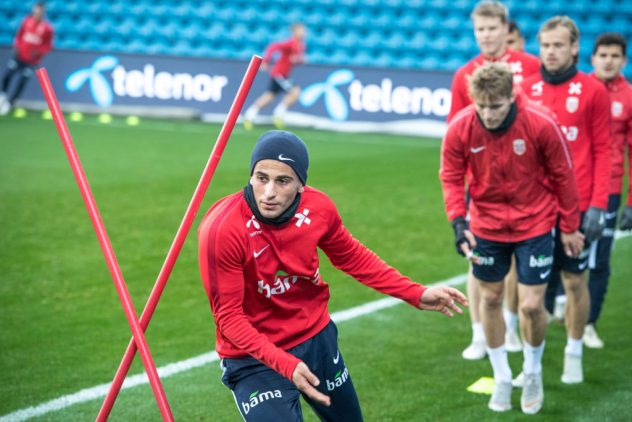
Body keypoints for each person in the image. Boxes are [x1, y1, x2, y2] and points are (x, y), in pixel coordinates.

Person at [198, 130, 468, 421]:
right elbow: (229, 318)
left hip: (315, 339)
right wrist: (285, 364)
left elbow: (351, 256)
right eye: (261, 178)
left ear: (301, 185)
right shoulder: (222, 229)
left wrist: (415, 292)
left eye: (283, 181)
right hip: (254, 358)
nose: (269, 192)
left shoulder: (319, 208)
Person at [440, 62, 582, 414]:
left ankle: (531, 371)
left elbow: (563, 174)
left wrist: (569, 225)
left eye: (496, 106)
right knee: (490, 300)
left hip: (535, 222)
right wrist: (459, 222)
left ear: (511, 97)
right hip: (486, 225)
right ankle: (502, 376)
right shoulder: (461, 127)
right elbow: (451, 176)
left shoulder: (540, 122)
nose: (488, 114)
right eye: (482, 106)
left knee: (532, 305)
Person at [521, 16, 612, 385]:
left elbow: (605, 151)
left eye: (558, 45)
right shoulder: (525, 89)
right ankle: (533, 365)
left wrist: (597, 205)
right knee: (533, 292)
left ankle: (574, 352)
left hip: (577, 208)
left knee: (575, 282)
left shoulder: (593, 91)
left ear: (575, 48)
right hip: (537, 209)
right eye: (545, 46)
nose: (551, 52)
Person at [448, 0, 540, 361]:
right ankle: (479, 334)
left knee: (518, 261)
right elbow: (455, 133)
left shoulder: (532, 68)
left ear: (506, 29)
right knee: (478, 259)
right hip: (481, 185)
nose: (486, 36)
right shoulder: (464, 74)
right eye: (480, 30)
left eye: (492, 28)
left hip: (525, 186)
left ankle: (511, 325)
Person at [584, 33, 632, 348]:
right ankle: (560, 302)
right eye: (603, 55)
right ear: (593, 58)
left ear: (624, 61)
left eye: (615, 55)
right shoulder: (581, 89)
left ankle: (589, 323)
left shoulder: (629, 97)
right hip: (573, 187)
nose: (609, 60)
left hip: (610, 188)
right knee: (562, 251)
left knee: (600, 259)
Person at [243, 23, 306, 131]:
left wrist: (298, 60)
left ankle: (249, 115)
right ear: (295, 32)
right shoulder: (291, 43)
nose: (304, 33)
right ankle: (278, 114)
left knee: (269, 96)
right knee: (295, 92)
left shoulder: (299, 45)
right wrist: (266, 60)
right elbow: (273, 46)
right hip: (280, 73)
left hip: (281, 73)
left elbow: (295, 59)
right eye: (302, 30)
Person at [0, 2, 53, 116]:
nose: (37, 13)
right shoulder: (26, 21)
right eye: (36, 10)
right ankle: (2, 96)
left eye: (40, 11)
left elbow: (47, 46)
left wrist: (38, 51)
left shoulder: (47, 28)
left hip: (32, 61)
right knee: (7, 75)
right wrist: (16, 46)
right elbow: (19, 36)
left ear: (43, 12)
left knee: (22, 82)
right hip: (19, 56)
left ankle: (9, 104)